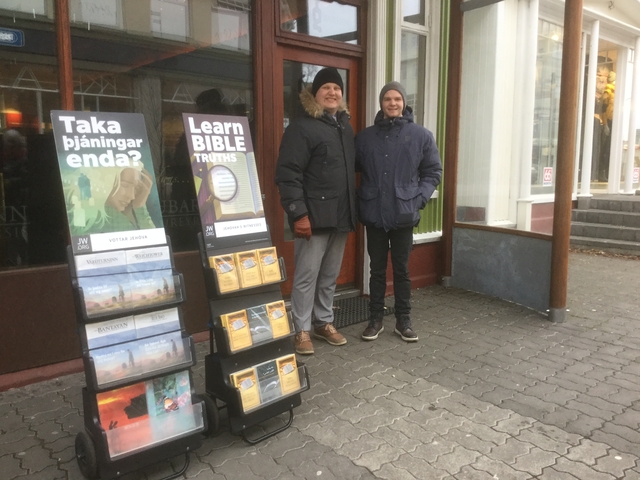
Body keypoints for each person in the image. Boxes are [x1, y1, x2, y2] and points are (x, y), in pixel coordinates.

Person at [275, 67, 356, 355]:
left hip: (342, 215)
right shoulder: (301, 127)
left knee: (329, 275)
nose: (332, 93)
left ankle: (324, 322)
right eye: (326, 88)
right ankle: (301, 329)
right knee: (307, 275)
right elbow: (288, 173)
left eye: (337, 88)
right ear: (315, 94)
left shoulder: (345, 127)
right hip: (313, 218)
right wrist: (298, 214)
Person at [355, 81, 442, 342]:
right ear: (381, 103)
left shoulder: (421, 136)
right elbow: (351, 169)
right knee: (377, 270)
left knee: (402, 270)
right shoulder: (365, 137)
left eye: (397, 99)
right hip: (374, 214)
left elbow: (432, 172)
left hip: (404, 213)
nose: (392, 103)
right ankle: (375, 320)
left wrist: (418, 199)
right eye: (387, 99)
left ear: (404, 103)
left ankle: (403, 320)